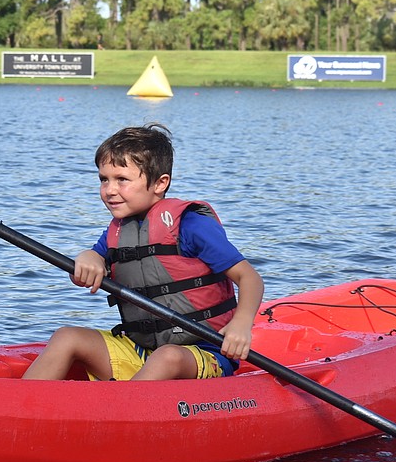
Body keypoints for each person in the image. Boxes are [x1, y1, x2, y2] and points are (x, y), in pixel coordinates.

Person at [22, 123, 264, 381]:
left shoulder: (191, 225)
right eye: (104, 179)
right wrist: (86, 259)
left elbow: (250, 279)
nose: (109, 190)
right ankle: (21, 402)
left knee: (167, 357)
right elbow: (90, 265)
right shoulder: (118, 231)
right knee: (67, 337)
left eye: (122, 180)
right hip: (142, 351)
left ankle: (122, 406)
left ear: (160, 183)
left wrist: (241, 325)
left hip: (204, 353)